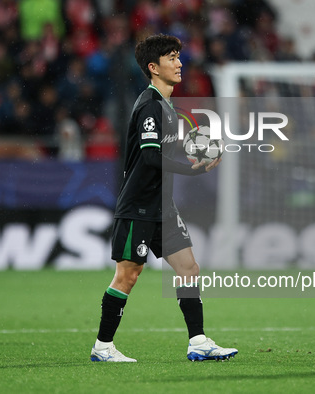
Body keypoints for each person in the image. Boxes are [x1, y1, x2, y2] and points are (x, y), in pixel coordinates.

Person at [90, 34, 238, 363]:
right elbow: (150, 157)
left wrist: (198, 155)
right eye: (172, 58)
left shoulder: (169, 108)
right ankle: (103, 346)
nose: (179, 62)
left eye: (178, 57)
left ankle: (198, 340)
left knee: (188, 268)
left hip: (163, 208)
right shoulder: (149, 105)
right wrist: (194, 168)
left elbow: (168, 153)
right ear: (153, 67)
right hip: (138, 207)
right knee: (128, 275)